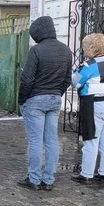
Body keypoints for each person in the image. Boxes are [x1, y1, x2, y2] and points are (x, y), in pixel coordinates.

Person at [17, 16, 73, 191]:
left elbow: (27, 79)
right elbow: (67, 79)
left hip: (35, 100)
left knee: (35, 141)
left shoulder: (36, 51)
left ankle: (34, 179)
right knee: (51, 141)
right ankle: (48, 180)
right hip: (55, 99)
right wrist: (57, 93)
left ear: (38, 33)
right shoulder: (66, 50)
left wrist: (22, 99)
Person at [71, 33, 104, 184]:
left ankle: (86, 174)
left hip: (94, 104)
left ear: (90, 48)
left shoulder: (89, 65)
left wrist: (75, 72)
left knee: (91, 139)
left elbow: (76, 84)